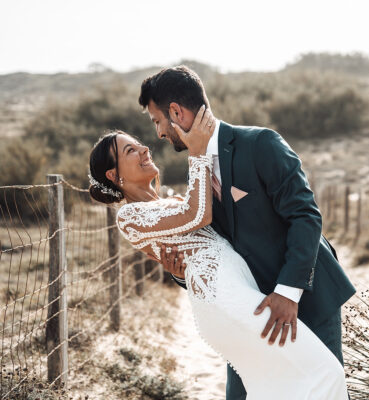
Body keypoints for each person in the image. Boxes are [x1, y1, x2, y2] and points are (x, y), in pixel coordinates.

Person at [88, 107, 349, 399]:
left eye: (138, 143)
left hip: (244, 288)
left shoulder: (175, 197)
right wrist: (197, 153)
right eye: (130, 150)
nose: (145, 147)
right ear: (113, 174)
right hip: (226, 297)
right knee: (325, 372)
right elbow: (197, 215)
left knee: (274, 385)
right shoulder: (130, 216)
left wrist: (180, 273)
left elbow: (205, 237)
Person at [141, 65, 356, 400]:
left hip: (306, 298)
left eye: (157, 121)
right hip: (250, 312)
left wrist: (288, 292)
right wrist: (181, 274)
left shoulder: (260, 144)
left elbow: (305, 217)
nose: (158, 134)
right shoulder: (196, 174)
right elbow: (210, 248)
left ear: (176, 112)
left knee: (318, 391)